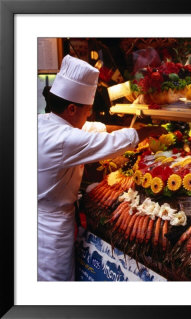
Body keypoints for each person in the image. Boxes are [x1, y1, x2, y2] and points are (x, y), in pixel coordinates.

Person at [38, 55, 165, 281]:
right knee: (54, 283)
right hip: (49, 228)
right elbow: (107, 142)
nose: (89, 115)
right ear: (71, 109)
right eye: (87, 110)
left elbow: (94, 129)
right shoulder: (63, 138)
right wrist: (148, 132)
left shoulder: (45, 121)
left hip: (44, 215)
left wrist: (138, 126)